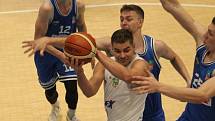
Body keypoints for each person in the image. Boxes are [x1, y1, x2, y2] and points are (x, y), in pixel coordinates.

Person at [22, 4, 190, 121]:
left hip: (151, 112)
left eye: (129, 19)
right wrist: (49, 40)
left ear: (140, 22)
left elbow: (173, 57)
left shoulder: (154, 47)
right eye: (121, 19)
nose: (124, 22)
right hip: (118, 112)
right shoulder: (111, 45)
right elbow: (81, 41)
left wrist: (188, 78)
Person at [131, 0, 215, 121]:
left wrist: (158, 86)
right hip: (188, 117)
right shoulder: (204, 42)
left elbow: (202, 95)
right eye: (208, 30)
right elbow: (173, 5)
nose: (205, 35)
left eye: (211, 34)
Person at [71, 29, 149, 121]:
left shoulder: (141, 64)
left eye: (126, 50)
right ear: (112, 49)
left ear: (134, 47)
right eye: (118, 51)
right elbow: (89, 92)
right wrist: (79, 72)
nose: (122, 55)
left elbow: (129, 77)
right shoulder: (103, 65)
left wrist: (96, 53)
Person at [31, 0, 86, 121]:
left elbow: (81, 27)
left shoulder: (79, 6)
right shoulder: (47, 8)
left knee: (72, 86)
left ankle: (71, 115)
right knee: (50, 90)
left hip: (68, 51)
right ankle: (55, 107)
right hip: (45, 52)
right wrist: (60, 55)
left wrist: (86, 50)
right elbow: (38, 39)